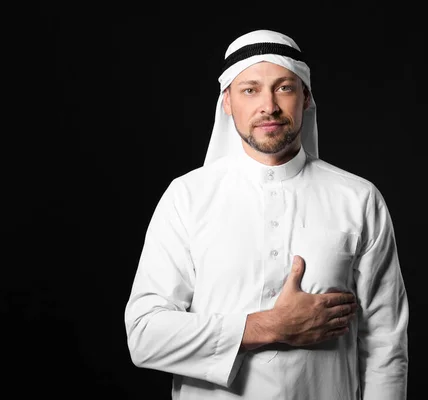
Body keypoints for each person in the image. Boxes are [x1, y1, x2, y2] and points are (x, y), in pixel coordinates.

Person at [124, 29, 409, 399]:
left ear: (305, 96)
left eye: (284, 87)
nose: (269, 106)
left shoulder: (358, 198)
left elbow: (385, 343)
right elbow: (145, 335)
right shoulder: (187, 198)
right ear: (227, 102)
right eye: (250, 89)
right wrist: (267, 326)